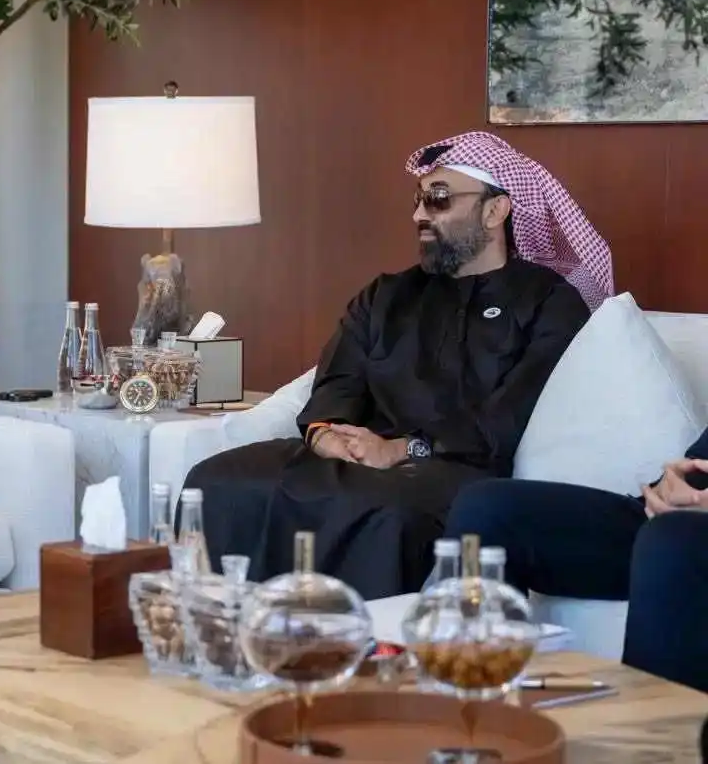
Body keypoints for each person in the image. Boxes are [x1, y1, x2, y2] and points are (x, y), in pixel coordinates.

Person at [179, 131, 613, 600]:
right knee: (216, 479)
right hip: (352, 457)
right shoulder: (387, 294)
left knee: (380, 512)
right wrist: (326, 435)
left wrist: (404, 449)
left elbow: (510, 415)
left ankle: (349, 639)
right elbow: (337, 380)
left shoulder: (549, 303)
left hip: (451, 468)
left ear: (495, 211)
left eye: (438, 199)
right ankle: (222, 625)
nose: (419, 215)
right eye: (419, 199)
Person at [443, 433, 708, 694]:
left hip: (679, 539)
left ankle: (658, 719)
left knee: (669, 540)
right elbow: (695, 469)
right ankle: (479, 704)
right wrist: (669, 488)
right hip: (668, 523)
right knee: (484, 509)